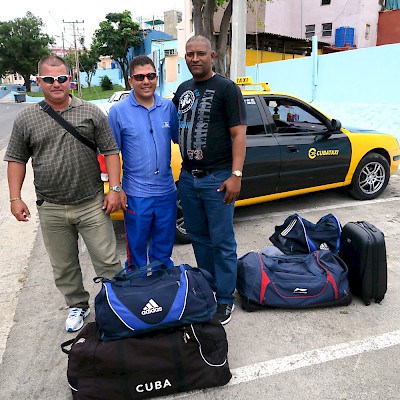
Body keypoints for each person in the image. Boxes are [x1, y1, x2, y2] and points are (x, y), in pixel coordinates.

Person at [4, 55, 122, 332]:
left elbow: (111, 151)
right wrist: (14, 197)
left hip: (92, 203)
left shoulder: (91, 112)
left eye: (61, 78)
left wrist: (115, 188)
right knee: (64, 265)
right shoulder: (26, 118)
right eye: (48, 79)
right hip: (52, 207)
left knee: (107, 261)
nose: (55, 84)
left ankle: (117, 304)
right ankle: (77, 305)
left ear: (70, 79)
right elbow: (16, 159)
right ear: (38, 81)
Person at [172, 36, 247, 325]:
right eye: (189, 54)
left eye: (200, 53)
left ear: (212, 55)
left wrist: (236, 175)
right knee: (200, 239)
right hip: (189, 179)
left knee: (222, 241)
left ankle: (226, 299)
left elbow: (239, 134)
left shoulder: (227, 89)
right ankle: (209, 288)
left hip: (218, 178)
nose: (194, 59)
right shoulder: (183, 90)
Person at [108, 55, 179, 269]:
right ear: (130, 81)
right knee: (137, 251)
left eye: (150, 75)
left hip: (166, 192)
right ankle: (137, 291)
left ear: (157, 77)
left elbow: (180, 139)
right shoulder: (118, 111)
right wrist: (116, 188)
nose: (146, 81)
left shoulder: (168, 108)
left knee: (164, 248)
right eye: (139, 77)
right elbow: (111, 153)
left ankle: (160, 290)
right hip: (137, 195)